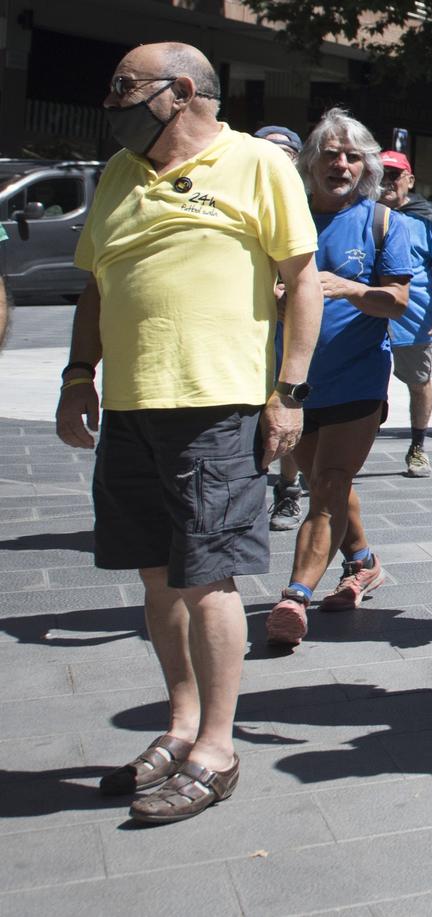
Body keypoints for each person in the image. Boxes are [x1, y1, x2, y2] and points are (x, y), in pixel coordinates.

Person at [59, 43, 320, 823]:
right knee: (155, 575)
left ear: (181, 91)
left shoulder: (256, 164)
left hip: (219, 404)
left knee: (209, 576)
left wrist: (289, 394)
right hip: (134, 409)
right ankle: (177, 724)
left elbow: (301, 279)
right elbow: (95, 287)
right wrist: (79, 376)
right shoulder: (116, 176)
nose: (114, 104)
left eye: (126, 90)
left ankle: (218, 743)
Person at [264, 109, 417, 652]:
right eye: (330, 154)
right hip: (296, 382)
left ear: (367, 166)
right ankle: (363, 563)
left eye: (353, 156)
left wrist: (347, 289)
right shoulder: (285, 216)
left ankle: (294, 597)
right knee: (326, 482)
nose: (341, 164)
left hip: (358, 378)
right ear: (311, 162)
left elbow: (398, 302)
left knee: (326, 487)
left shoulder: (382, 222)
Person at [379, 148, 432, 477]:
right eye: (379, 175)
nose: (386, 183)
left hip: (414, 315)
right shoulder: (362, 213)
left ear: (409, 179)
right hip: (367, 315)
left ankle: (418, 446)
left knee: (418, 382)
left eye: (393, 175)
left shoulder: (427, 219)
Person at [256, 124, 310, 532]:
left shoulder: (307, 205)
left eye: (284, 152)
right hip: (248, 335)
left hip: (294, 336)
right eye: (265, 150)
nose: (275, 158)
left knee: (288, 406)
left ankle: (288, 492)